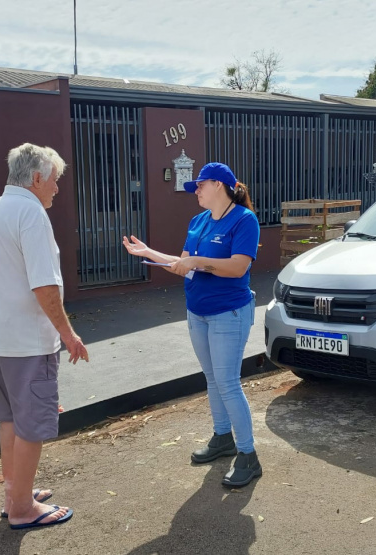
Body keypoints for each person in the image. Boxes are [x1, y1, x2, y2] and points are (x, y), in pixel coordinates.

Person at [122, 162, 262, 487]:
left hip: (229, 312)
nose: (196, 191)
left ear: (219, 185)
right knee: (213, 379)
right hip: (197, 311)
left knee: (228, 382)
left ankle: (248, 455)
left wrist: (198, 262)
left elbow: (238, 267)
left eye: (200, 185)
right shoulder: (198, 221)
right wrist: (149, 253)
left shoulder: (244, 220)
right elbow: (181, 262)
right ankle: (223, 437)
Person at [0, 143, 89, 530]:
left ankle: (15, 494)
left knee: (9, 420)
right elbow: (44, 286)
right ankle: (22, 509)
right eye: (55, 181)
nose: (57, 189)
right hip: (26, 343)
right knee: (32, 426)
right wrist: (68, 334)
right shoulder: (31, 214)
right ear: (37, 178)